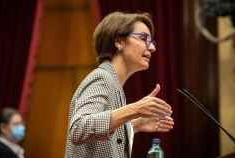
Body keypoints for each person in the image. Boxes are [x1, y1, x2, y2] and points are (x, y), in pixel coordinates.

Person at [65, 11, 174, 158]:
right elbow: (79, 128)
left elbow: (100, 140)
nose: (152, 48)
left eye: (152, 41)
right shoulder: (102, 78)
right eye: (143, 38)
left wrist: (136, 124)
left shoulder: (114, 83)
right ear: (119, 42)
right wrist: (135, 109)